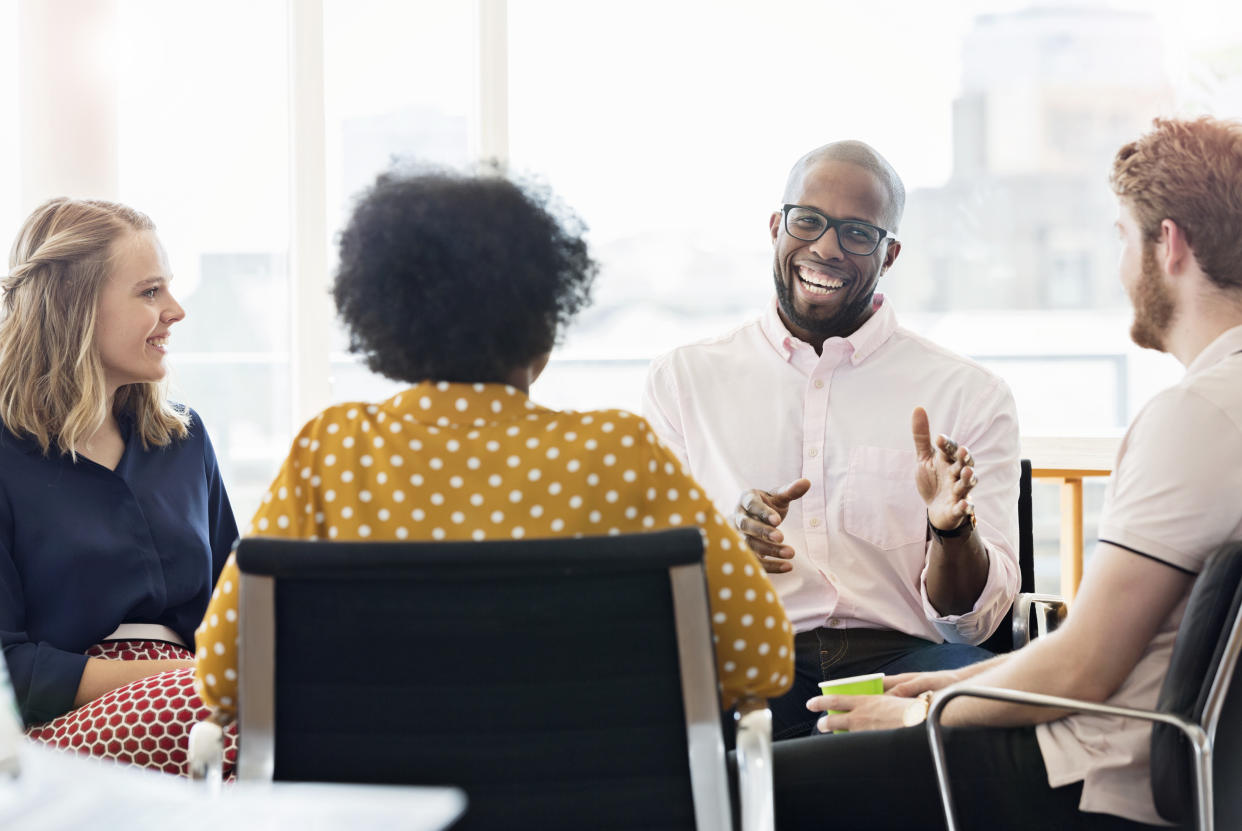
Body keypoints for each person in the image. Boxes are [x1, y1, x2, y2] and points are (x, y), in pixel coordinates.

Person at [769, 115, 1242, 829]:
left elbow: (1084, 667)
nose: (1119, 268)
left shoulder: (1196, 415)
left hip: (1091, 767)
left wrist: (923, 708)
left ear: (1168, 245)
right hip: (1138, 750)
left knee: (758, 788)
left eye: (1121, 237)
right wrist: (953, 680)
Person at [194, 169, 794, 717]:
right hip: (590, 798)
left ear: (388, 319)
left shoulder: (332, 452)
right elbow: (762, 656)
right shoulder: (618, 451)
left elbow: (224, 674)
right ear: (544, 320)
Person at [643, 140, 1021, 739]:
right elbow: (657, 579)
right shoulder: (684, 381)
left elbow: (973, 627)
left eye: (856, 233)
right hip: (750, 659)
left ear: (889, 253)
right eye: (809, 221)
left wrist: (952, 529)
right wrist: (726, 548)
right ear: (776, 226)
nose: (825, 247)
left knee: (980, 712)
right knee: (655, 714)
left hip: (903, 662)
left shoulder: (969, 393)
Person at [0, 198, 239, 774]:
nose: (176, 310)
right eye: (150, 292)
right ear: (75, 307)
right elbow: (10, 669)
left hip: (195, 700)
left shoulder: (183, 439)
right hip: (59, 725)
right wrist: (185, 677)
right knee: (226, 720)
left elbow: (237, 607)